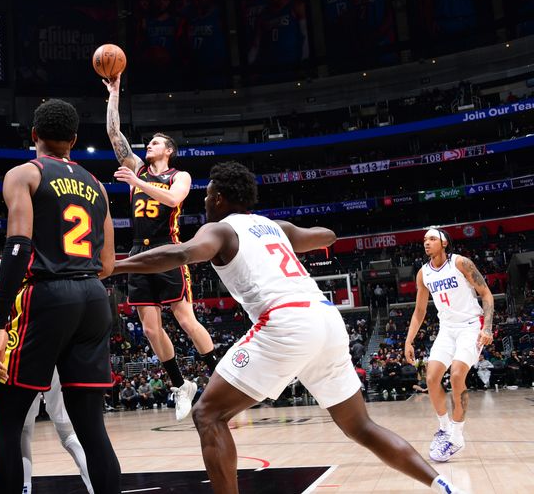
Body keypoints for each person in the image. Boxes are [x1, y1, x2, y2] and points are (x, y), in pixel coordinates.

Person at [112, 162, 465, 494]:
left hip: (286, 322)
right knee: (361, 427)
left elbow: (180, 254)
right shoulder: (274, 227)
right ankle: (441, 486)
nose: (204, 202)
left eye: (207, 196)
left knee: (207, 413)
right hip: (327, 321)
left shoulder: (219, 229)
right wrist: (321, 240)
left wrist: (116, 266)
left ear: (218, 197)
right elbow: (325, 234)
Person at [0, 99, 120, 493]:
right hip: (94, 297)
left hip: (46, 296)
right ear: (74, 140)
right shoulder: (96, 185)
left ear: (34, 135)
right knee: (92, 428)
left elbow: (17, 246)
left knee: (8, 422)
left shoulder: (24, 174)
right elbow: (109, 263)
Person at [104, 74, 217, 421]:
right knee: (151, 329)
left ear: (168, 150)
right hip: (139, 251)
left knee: (185, 319)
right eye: (148, 144)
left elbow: (172, 199)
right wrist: (114, 94)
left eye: (155, 143)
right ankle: (180, 385)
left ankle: (222, 377)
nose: (148, 146)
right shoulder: (136, 166)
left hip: (169, 248)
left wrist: (138, 182)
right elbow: (114, 135)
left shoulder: (177, 176)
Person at [0, 258, 93, 493]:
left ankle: (25, 489)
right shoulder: (55, 257)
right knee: (68, 431)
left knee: (20, 430)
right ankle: (95, 486)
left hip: (23, 350)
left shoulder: (3, 264)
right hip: (60, 345)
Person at [404, 227, 494, 462]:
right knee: (432, 378)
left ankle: (457, 435)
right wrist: (409, 340)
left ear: (444, 243)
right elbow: (420, 311)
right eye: (424, 240)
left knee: (456, 376)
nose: (426, 243)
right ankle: (444, 428)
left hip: (470, 326)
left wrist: (487, 328)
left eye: (432, 239)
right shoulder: (423, 273)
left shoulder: (461, 263)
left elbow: (486, 295)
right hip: (446, 329)